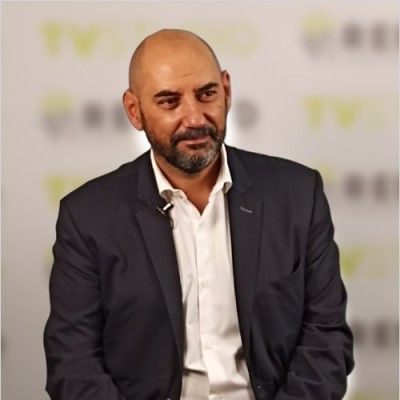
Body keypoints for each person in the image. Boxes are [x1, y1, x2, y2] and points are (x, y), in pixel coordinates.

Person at [44, 29, 354, 400]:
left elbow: (326, 342)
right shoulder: (88, 216)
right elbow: (74, 365)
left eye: (207, 94)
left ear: (227, 90)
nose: (194, 118)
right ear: (134, 111)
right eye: (169, 101)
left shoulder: (297, 194)